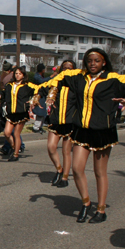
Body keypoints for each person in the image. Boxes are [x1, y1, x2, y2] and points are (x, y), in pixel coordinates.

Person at [43, 48, 125, 223]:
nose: (92, 64)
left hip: (103, 131)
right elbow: (58, 78)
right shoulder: (78, 76)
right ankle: (86, 202)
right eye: (89, 60)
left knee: (99, 171)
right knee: (76, 168)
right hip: (82, 130)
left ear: (103, 62)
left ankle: (101, 209)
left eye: (97, 60)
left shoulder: (113, 79)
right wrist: (51, 95)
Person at [40, 59, 76, 188]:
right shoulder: (55, 83)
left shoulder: (77, 85)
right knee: (51, 147)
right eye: (64, 67)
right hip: (55, 120)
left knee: (66, 151)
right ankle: (59, 169)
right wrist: (36, 97)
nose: (67, 69)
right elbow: (42, 89)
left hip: (70, 121)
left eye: (69, 68)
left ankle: (65, 177)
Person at [0, 66, 41, 162]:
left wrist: (34, 100)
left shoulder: (27, 85)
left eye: (20, 74)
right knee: (7, 133)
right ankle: (14, 147)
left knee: (16, 133)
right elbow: (3, 93)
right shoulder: (10, 85)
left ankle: (16, 154)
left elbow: (38, 89)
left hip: (21, 112)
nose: (17, 75)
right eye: (16, 73)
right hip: (11, 112)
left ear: (23, 75)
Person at [31, 64, 50, 133]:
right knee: (40, 112)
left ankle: (40, 127)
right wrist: (51, 76)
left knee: (44, 113)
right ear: (42, 70)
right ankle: (36, 127)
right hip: (38, 96)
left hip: (43, 95)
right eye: (44, 69)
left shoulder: (41, 76)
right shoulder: (37, 76)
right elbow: (42, 82)